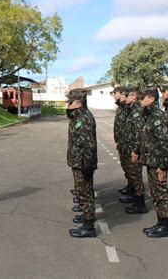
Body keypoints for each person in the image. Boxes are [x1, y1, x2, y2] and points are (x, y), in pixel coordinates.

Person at [138, 87, 168, 237]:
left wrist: (163, 166)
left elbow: (165, 142)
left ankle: (164, 226)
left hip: (158, 163)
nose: (140, 100)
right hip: (152, 161)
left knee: (160, 193)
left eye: (142, 97)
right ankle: (160, 223)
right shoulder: (150, 115)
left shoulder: (158, 116)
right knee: (156, 193)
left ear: (151, 98)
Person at [66, 89, 98, 238]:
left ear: (78, 102)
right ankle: (87, 219)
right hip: (78, 161)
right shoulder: (78, 117)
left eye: (70, 102)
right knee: (84, 193)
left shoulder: (83, 119)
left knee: (86, 195)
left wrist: (87, 166)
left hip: (82, 163)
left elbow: (89, 145)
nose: (68, 104)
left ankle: (89, 227)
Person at [122, 86, 147, 214]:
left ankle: (140, 203)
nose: (125, 98)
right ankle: (135, 198)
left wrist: (136, 150)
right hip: (129, 147)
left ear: (134, 97)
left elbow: (139, 133)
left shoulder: (137, 111)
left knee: (136, 176)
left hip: (134, 149)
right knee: (133, 175)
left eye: (128, 95)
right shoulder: (132, 109)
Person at [111, 86, 131, 196]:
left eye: (115, 92)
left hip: (128, 143)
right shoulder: (121, 107)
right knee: (126, 168)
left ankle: (135, 195)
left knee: (132, 170)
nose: (114, 95)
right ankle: (130, 186)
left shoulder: (128, 108)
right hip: (122, 142)